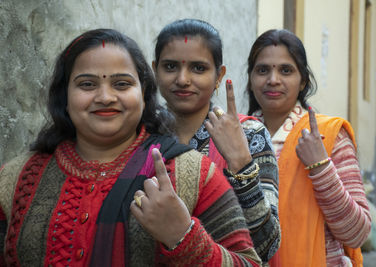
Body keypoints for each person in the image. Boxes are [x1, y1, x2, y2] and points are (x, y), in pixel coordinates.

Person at [0, 28, 263, 266]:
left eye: (122, 84)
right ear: (64, 95)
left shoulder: (193, 175)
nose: (105, 97)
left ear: (143, 92)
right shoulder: (16, 179)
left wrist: (183, 237)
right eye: (87, 84)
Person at [152, 18, 280, 263]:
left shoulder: (249, 134)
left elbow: (267, 246)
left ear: (219, 75)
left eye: (198, 68)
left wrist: (241, 164)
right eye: (170, 67)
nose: (182, 79)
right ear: (155, 69)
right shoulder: (143, 134)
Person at [246, 29, 371, 267]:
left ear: (302, 80)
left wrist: (320, 167)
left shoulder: (327, 135)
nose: (273, 79)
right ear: (251, 79)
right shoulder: (235, 136)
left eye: (286, 70)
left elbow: (358, 233)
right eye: (262, 70)